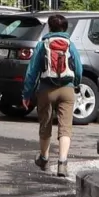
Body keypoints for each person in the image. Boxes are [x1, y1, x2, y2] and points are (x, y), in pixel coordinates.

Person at [22, 13, 82, 178]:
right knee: (65, 128)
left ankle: (44, 158)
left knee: (45, 125)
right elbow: (78, 67)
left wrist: (26, 94)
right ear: (65, 28)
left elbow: (31, 72)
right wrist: (75, 83)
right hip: (67, 89)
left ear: (49, 27)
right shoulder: (70, 44)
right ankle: (62, 163)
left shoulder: (43, 45)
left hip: (46, 90)